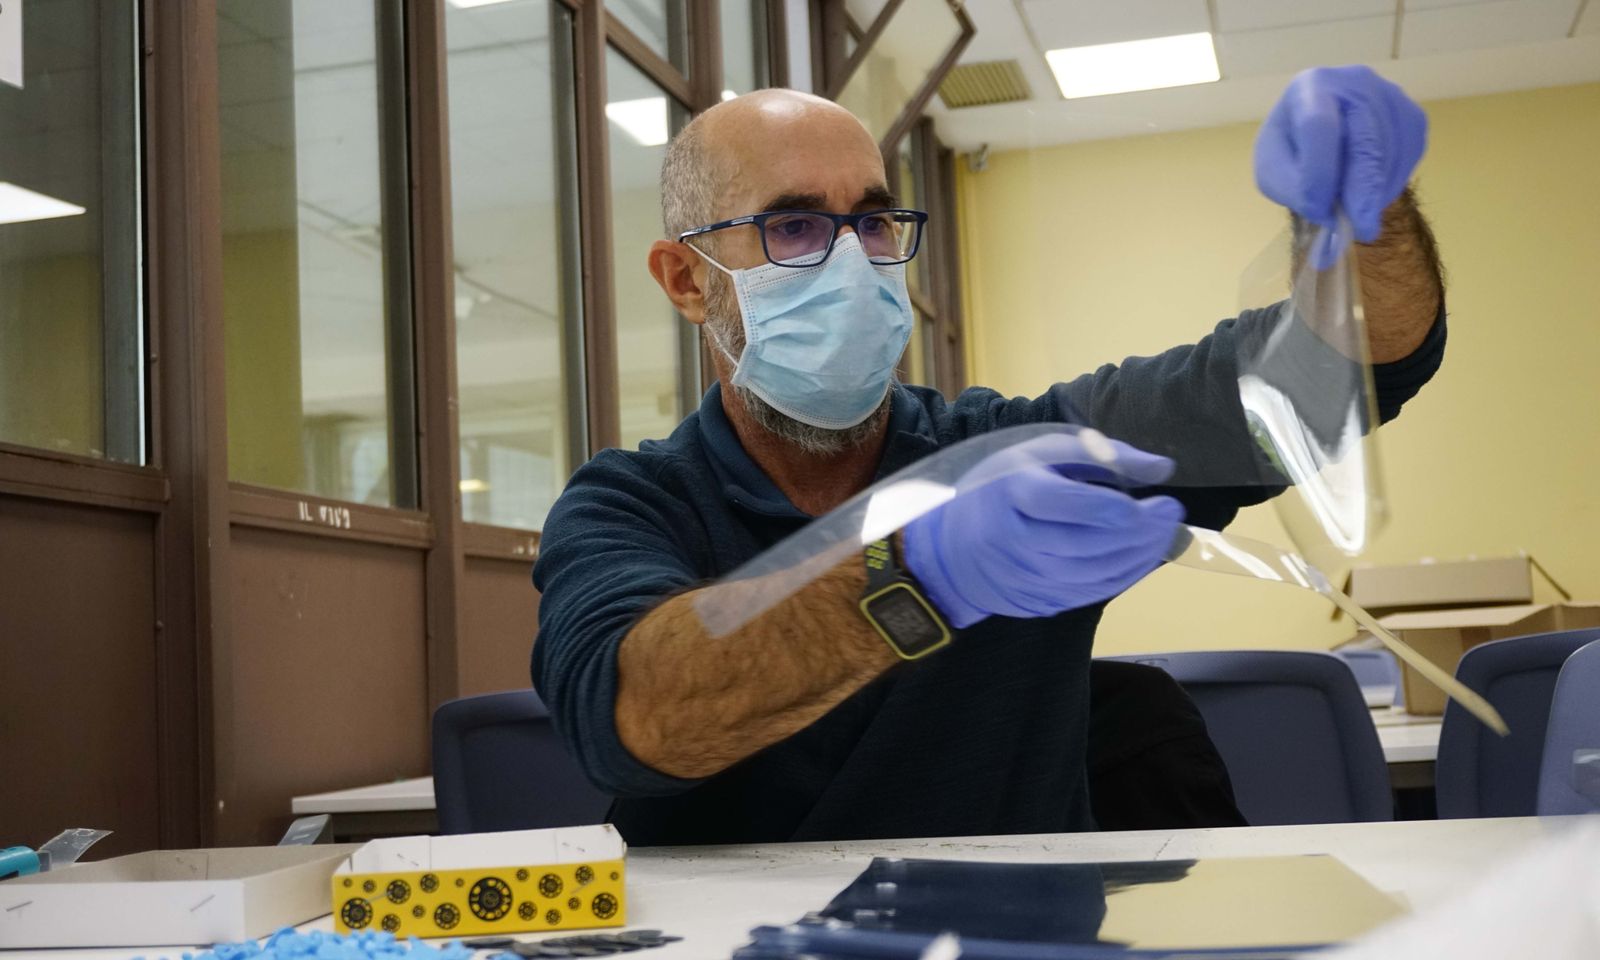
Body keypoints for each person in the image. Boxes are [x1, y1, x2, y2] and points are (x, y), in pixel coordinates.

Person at [532, 67, 1445, 845]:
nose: (853, 263)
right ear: (688, 280)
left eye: (875, 224)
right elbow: (634, 717)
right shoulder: (629, 504)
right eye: (795, 227)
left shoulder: (1014, 454)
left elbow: (1349, 361)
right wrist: (917, 575)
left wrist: (1364, 215)